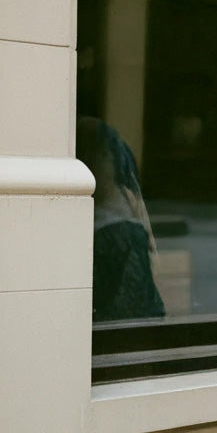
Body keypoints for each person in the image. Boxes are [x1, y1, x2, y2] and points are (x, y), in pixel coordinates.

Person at [76, 117, 165, 322]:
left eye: (108, 154)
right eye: (103, 155)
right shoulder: (114, 220)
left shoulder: (127, 198)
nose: (106, 162)